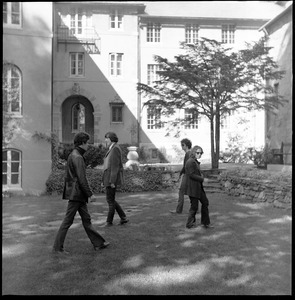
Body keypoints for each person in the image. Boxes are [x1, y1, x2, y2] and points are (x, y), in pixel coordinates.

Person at [53, 132, 109, 254]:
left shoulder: (74, 155)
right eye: (87, 142)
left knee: (86, 219)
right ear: (82, 143)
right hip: (77, 194)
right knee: (68, 221)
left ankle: (99, 243)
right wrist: (90, 194)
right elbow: (81, 178)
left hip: (76, 193)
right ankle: (57, 248)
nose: (88, 145)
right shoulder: (77, 157)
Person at [102, 132, 129, 227]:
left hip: (111, 180)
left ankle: (109, 222)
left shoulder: (115, 149)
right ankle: (123, 217)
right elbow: (107, 166)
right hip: (108, 179)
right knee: (111, 200)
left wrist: (112, 181)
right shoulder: (112, 148)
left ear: (111, 139)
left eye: (106, 138)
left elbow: (114, 167)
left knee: (110, 201)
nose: (105, 140)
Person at [184, 145, 213, 229]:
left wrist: (201, 176)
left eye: (201, 153)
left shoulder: (194, 161)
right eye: (198, 153)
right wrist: (203, 179)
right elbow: (191, 175)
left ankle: (205, 223)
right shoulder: (190, 162)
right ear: (193, 152)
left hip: (198, 187)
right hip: (193, 188)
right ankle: (189, 224)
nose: (199, 154)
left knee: (205, 202)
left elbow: (195, 173)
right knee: (194, 207)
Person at [170, 138, 198, 214]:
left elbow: (186, 166)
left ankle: (179, 210)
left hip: (187, 176)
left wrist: (180, 174)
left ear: (186, 145)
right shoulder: (191, 154)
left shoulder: (188, 154)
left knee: (181, 192)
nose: (181, 147)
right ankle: (194, 208)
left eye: (182, 145)